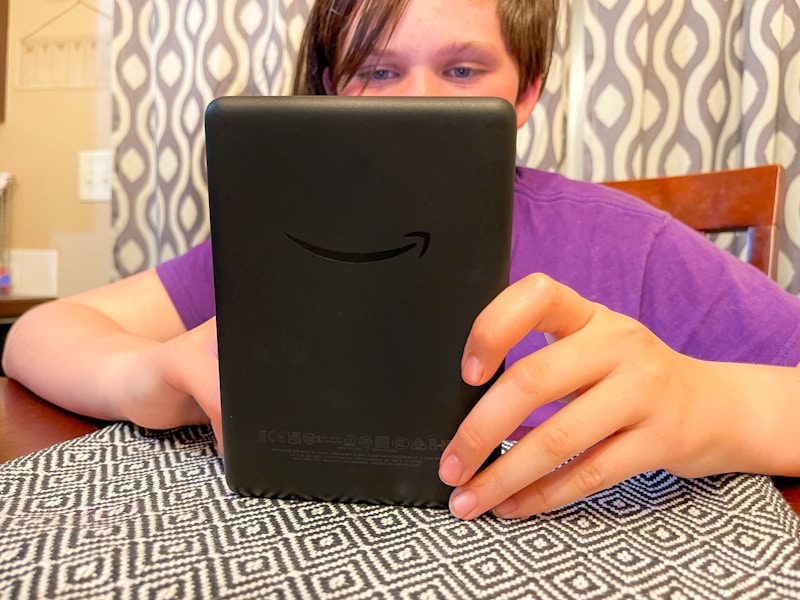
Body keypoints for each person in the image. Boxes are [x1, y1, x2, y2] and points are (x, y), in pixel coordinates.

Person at [4, 0, 800, 522]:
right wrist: (146, 377)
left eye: (462, 69)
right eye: (377, 70)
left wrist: (714, 402)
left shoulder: (629, 244)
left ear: (525, 93)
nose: (416, 98)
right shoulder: (273, 245)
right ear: (331, 89)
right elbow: (40, 334)